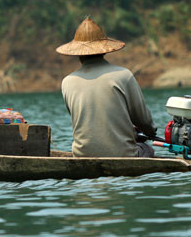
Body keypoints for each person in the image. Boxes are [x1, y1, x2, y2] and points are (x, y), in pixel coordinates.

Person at [56, 17, 157, 157]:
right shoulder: (123, 75)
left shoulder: (67, 82)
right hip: (124, 154)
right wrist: (149, 132)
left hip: (82, 155)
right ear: (104, 51)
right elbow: (144, 121)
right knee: (147, 149)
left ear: (78, 53)